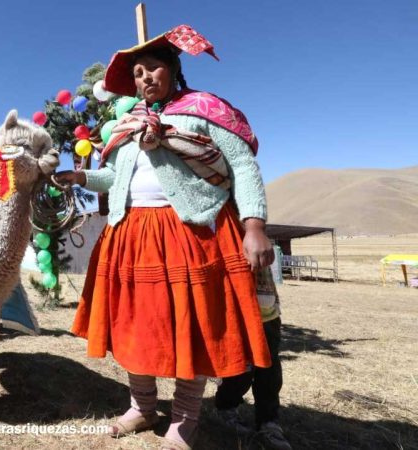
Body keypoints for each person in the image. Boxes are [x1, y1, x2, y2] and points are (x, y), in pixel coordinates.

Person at [56, 25, 274, 449]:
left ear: (174, 70)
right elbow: (115, 177)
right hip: (131, 233)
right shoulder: (128, 124)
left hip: (191, 231)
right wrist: (81, 176)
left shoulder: (203, 110)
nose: (144, 78)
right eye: (137, 72)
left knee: (190, 326)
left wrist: (255, 225)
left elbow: (243, 165)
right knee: (135, 325)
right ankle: (142, 407)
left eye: (153, 68)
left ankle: (186, 416)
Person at [215, 267, 291, 450]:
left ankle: (268, 421)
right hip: (234, 309)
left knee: (269, 369)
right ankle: (227, 408)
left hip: (266, 311)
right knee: (240, 367)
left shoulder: (260, 237)